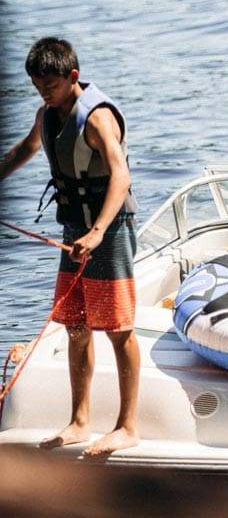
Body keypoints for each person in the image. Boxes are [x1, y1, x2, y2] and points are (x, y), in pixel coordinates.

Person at [0, 38, 141, 456]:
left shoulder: (97, 119)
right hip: (74, 230)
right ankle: (81, 421)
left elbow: (121, 176)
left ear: (73, 77)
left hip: (109, 230)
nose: (44, 92)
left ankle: (127, 426)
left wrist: (97, 231)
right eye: (37, 86)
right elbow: (26, 150)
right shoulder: (46, 114)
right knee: (76, 326)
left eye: (51, 85)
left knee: (119, 329)